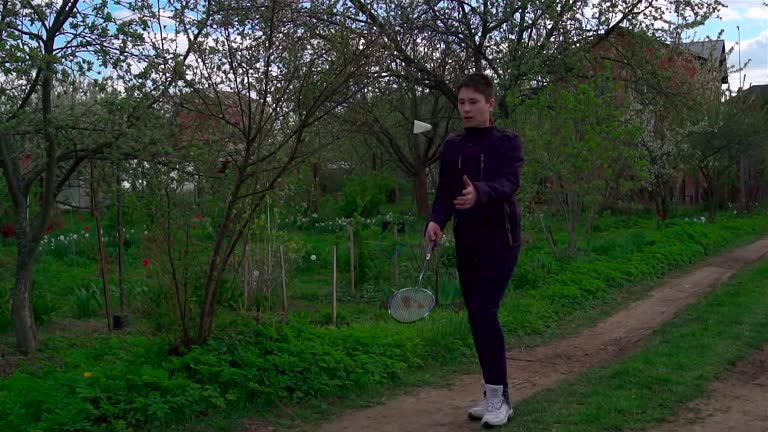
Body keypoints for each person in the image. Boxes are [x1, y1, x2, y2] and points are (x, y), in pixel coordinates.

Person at [424, 72, 523, 428]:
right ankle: (491, 393)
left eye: (473, 102)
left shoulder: (507, 144)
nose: (465, 109)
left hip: (502, 241)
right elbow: (444, 195)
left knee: (484, 312)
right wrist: (436, 222)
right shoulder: (453, 147)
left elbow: (509, 183)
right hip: (468, 243)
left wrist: (479, 192)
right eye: (461, 102)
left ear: (490, 104)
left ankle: (501, 399)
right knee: (475, 317)